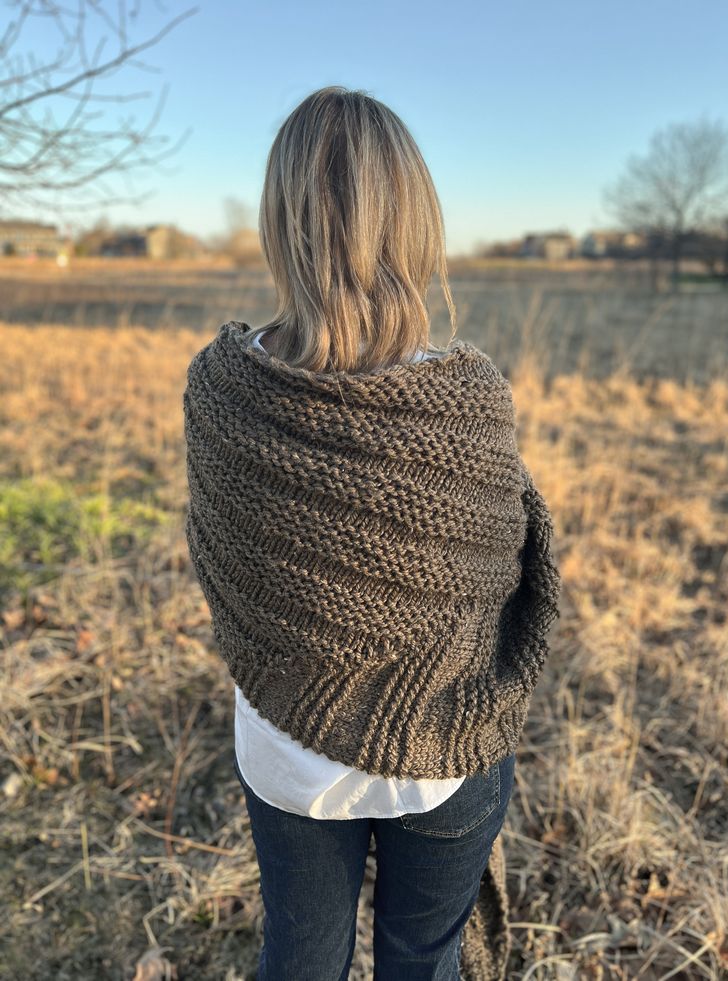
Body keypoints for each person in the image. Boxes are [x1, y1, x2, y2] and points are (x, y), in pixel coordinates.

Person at [183, 85, 562, 981]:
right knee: (422, 961)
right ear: (416, 224)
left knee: (301, 956)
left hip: (288, 753)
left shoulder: (222, 387)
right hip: (443, 749)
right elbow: (505, 576)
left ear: (283, 221)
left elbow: (222, 566)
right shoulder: (467, 399)